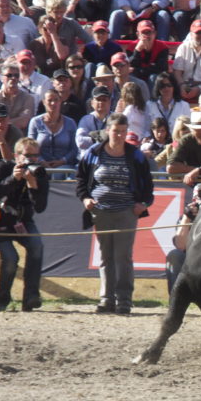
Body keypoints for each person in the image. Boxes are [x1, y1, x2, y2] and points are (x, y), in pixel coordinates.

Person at [76, 113, 154, 314]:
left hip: (126, 211)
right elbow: (81, 180)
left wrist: (143, 204)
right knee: (105, 256)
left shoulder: (135, 155)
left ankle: (124, 300)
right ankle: (106, 299)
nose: (119, 135)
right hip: (100, 211)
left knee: (123, 256)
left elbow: (148, 184)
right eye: (115, 131)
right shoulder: (93, 152)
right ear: (107, 131)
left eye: (122, 131)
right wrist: (85, 199)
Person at [0, 137, 49, 312]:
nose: (31, 160)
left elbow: (41, 207)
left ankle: (31, 297)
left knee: (37, 246)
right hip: (1, 222)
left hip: (24, 221)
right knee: (11, 258)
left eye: (35, 156)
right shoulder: (4, 167)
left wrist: (32, 184)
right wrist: (13, 179)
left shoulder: (40, 173)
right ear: (17, 155)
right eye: (27, 155)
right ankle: (2, 300)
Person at [28, 88, 78, 173]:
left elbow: (74, 149)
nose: (53, 103)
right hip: (40, 166)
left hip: (64, 166)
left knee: (61, 175)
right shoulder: (35, 122)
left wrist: (62, 161)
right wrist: (43, 162)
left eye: (56, 100)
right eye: (49, 100)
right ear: (44, 102)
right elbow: (30, 147)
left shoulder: (70, 123)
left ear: (60, 101)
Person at [0, 63, 36, 132]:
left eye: (16, 75)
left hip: (19, 139)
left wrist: (0, 123)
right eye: (9, 75)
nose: (13, 78)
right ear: (1, 78)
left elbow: (24, 121)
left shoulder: (28, 98)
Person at [127, 20, 169, 87]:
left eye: (149, 32)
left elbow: (161, 68)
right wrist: (137, 51)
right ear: (138, 35)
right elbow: (129, 67)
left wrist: (137, 70)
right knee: (131, 76)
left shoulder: (162, 47)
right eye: (144, 32)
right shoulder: (132, 47)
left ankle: (153, 98)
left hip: (153, 78)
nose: (147, 36)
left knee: (153, 77)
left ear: (154, 33)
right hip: (138, 76)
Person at [76, 85, 113, 159]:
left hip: (109, 159)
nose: (101, 102)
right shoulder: (85, 119)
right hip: (88, 160)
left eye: (104, 100)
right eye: (98, 99)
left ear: (110, 102)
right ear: (92, 103)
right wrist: (99, 138)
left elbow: (119, 140)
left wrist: (92, 136)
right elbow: (80, 141)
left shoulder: (115, 118)